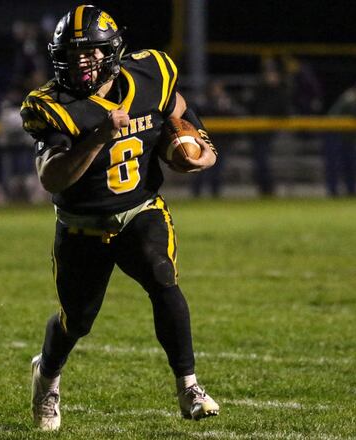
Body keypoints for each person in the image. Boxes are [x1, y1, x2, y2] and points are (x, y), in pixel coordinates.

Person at [20, 5, 219, 431]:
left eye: (89, 54)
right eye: (72, 55)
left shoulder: (150, 73)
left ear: (111, 51)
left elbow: (178, 105)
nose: (80, 63)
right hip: (82, 225)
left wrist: (200, 145)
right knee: (77, 320)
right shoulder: (53, 104)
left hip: (141, 209)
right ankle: (47, 376)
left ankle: (189, 386)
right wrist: (99, 136)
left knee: (162, 277)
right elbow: (51, 177)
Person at [252, 59, 291, 195]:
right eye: (268, 74)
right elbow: (251, 108)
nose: (270, 77)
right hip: (257, 133)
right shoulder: (259, 90)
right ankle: (265, 189)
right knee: (260, 161)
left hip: (272, 132)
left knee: (264, 161)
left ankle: (269, 188)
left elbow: (286, 112)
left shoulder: (281, 91)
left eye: (273, 74)